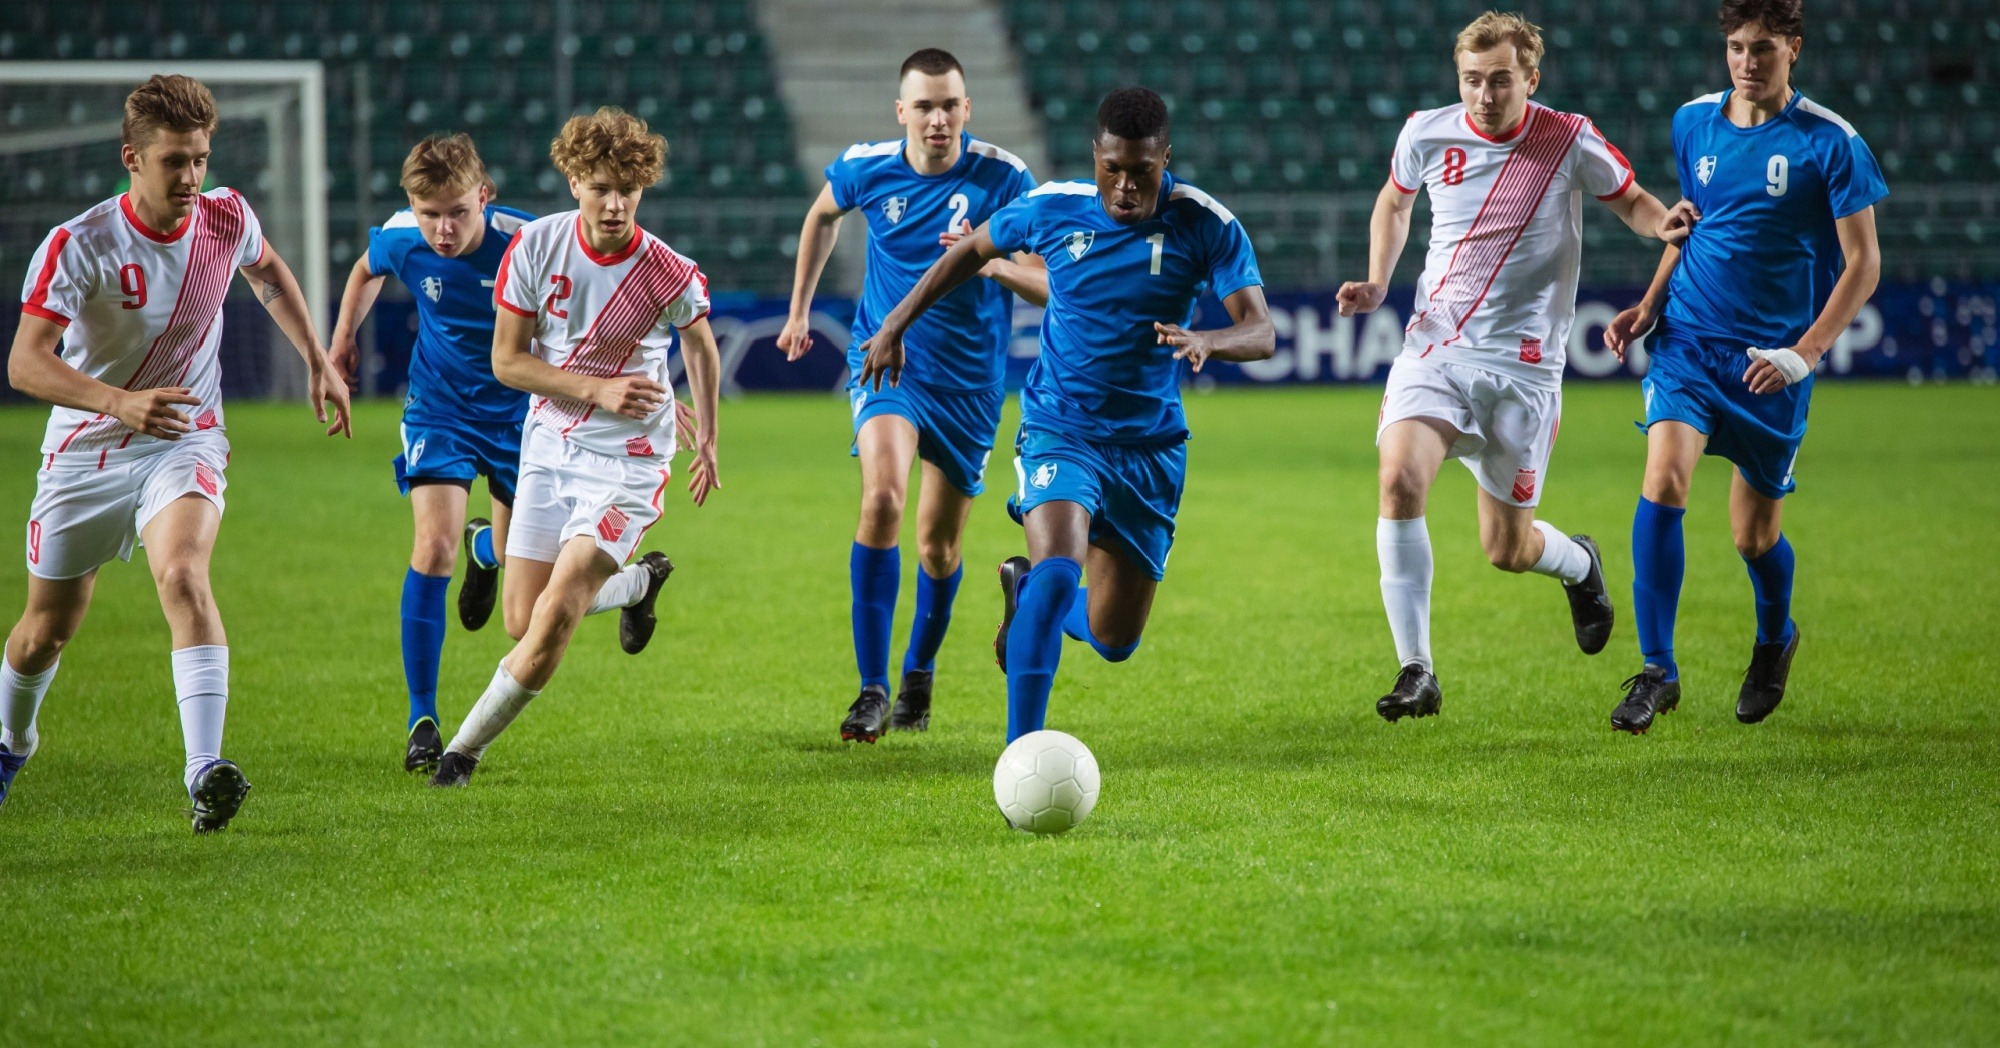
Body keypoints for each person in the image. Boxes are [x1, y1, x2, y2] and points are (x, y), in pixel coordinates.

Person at [860, 87, 1273, 743]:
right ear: (1096, 157)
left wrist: (1209, 341)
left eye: (1143, 171)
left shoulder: (1206, 222)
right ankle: (1020, 758)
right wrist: (894, 323)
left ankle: (1020, 595)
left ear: (1166, 158)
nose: (1126, 187)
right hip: (1061, 427)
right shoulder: (1055, 207)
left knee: (1114, 639)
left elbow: (1261, 330)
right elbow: (971, 251)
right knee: (1060, 572)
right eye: (1113, 169)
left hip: (1150, 448)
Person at [1, 75, 353, 829]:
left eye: (200, 159)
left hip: (184, 437)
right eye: (173, 161)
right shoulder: (81, 243)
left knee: (184, 574)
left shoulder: (226, 219)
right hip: (86, 450)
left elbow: (268, 273)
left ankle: (203, 771)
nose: (192, 177)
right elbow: (25, 363)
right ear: (133, 158)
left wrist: (317, 359)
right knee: (44, 632)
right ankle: (10, 741)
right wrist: (118, 401)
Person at [1336, 11, 1690, 723]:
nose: (1485, 95)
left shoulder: (1567, 137)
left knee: (1506, 548)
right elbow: (1394, 202)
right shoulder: (1426, 132)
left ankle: (1579, 564)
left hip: (1524, 369)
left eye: (1501, 80)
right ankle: (1417, 669)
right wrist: (1377, 278)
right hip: (1436, 347)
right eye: (1472, 80)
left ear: (1531, 77)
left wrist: (1664, 224)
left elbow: (1632, 201)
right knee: (1399, 478)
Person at [1603, 0, 1884, 733]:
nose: (1746, 62)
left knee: (1752, 537)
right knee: (1664, 476)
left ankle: (1774, 639)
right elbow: (1689, 224)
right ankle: (1656, 670)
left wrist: (1804, 353)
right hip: (1691, 340)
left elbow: (1864, 265)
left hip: (1772, 362)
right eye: (1735, 47)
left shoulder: (1833, 142)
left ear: (1794, 49)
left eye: (1763, 48)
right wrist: (1648, 305)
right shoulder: (1693, 121)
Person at [430, 107, 721, 786]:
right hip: (551, 447)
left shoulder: (666, 270)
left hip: (629, 464)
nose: (615, 203)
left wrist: (707, 434)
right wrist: (596, 389)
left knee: (555, 615)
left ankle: (460, 754)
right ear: (573, 183)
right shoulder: (535, 247)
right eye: (600, 187)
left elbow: (701, 343)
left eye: (628, 188)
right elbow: (507, 361)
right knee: (521, 621)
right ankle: (639, 583)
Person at [779, 47, 1045, 742]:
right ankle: (870, 688)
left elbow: (1049, 281)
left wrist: (988, 262)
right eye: (923, 105)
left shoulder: (1005, 177)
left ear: (967, 109)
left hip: (971, 386)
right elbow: (820, 217)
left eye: (949, 104)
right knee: (884, 498)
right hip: (888, 364)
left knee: (937, 548)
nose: (937, 118)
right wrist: (800, 309)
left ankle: (918, 673)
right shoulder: (868, 166)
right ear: (901, 112)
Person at [327, 134, 541, 773]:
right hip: (440, 410)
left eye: (457, 212)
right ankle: (423, 718)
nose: (443, 230)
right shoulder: (403, 236)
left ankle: (489, 552)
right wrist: (343, 340)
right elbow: (366, 268)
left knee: (518, 607)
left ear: (485, 196)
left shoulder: (530, 242)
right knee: (431, 547)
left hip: (520, 415)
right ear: (412, 207)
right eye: (429, 214)